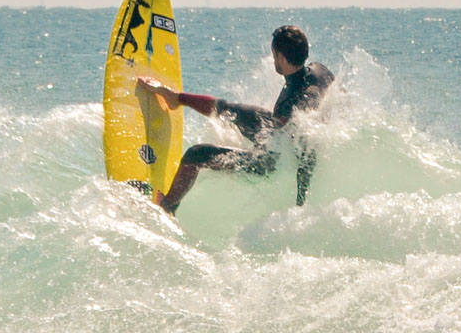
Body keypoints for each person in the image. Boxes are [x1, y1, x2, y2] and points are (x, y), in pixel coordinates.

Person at [137, 25, 333, 214]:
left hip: (269, 160)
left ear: (281, 56)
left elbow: (305, 152)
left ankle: (167, 206)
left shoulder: (290, 105)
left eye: (274, 55)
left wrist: (300, 200)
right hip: (277, 134)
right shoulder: (320, 71)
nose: (273, 60)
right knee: (231, 110)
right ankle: (176, 98)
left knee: (196, 154)